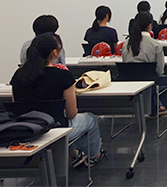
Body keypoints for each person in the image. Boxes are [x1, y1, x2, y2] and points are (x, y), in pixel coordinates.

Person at [11, 33, 105, 167]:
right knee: (90, 119)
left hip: (26, 129)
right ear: (55, 52)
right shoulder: (63, 76)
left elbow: (15, 106)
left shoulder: (18, 75)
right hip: (55, 129)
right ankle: (94, 156)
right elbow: (72, 113)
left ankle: (76, 155)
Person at [123, 12, 167, 119]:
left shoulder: (126, 43)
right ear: (150, 25)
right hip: (150, 82)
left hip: (129, 82)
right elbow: (160, 70)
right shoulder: (155, 44)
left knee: (157, 84)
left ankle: (155, 110)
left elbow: (124, 62)